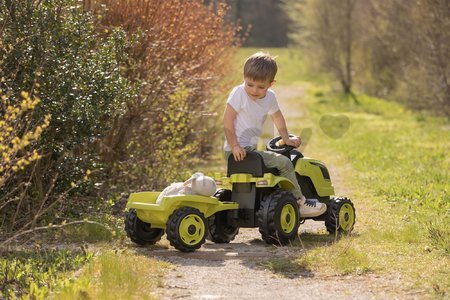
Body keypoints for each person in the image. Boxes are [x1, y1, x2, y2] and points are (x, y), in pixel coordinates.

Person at [223, 52, 326, 218]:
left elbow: (277, 117)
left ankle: (274, 202)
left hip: (250, 150)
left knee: (272, 165)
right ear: (243, 78)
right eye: (250, 84)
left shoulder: (270, 97)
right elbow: (227, 121)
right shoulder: (239, 93)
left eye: (260, 87)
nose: (254, 90)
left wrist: (286, 138)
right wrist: (234, 145)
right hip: (236, 150)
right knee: (284, 162)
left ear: (271, 84)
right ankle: (299, 201)